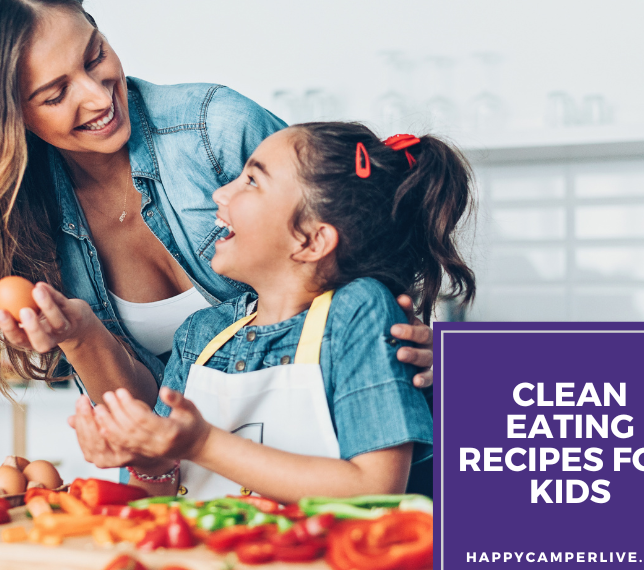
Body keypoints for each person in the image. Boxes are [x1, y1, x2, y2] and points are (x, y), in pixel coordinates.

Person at [0, 0, 435, 430]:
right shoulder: (21, 221)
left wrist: (427, 348)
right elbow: (155, 424)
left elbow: (358, 244)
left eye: (94, 57)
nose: (96, 97)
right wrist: (81, 336)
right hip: (207, 495)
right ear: (6, 116)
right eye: (56, 93)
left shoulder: (218, 130)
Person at [69, 123, 476, 503]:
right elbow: (159, 496)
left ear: (312, 241)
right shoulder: (200, 335)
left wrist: (202, 443)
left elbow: (376, 487)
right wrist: (147, 461)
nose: (220, 194)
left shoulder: (358, 312)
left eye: (252, 180)